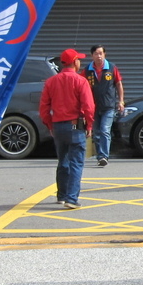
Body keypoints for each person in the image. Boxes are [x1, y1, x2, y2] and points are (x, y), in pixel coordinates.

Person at [40, 48, 94, 210]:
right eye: (79, 60)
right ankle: (71, 198)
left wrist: (50, 124)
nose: (80, 62)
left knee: (62, 161)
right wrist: (89, 125)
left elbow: (43, 108)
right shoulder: (80, 81)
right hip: (75, 125)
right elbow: (89, 106)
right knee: (76, 162)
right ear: (75, 62)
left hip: (58, 125)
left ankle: (62, 195)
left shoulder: (51, 82)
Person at [84, 44, 124, 167]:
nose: (99, 56)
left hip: (108, 106)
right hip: (93, 107)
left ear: (104, 54)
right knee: (96, 132)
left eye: (101, 53)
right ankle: (100, 155)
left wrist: (121, 101)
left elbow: (118, 84)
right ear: (92, 56)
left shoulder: (111, 68)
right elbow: (81, 87)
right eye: (96, 54)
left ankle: (103, 156)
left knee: (105, 130)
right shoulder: (87, 70)